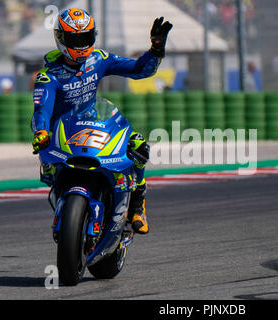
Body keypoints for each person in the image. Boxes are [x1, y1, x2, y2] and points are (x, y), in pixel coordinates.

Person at [31, 8, 173, 234]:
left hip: (91, 126)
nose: (81, 45)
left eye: (85, 38)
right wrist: (41, 132)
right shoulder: (49, 75)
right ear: (60, 38)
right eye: (75, 39)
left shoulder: (99, 59)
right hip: (60, 137)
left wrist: (156, 49)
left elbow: (139, 70)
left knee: (137, 146)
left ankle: (137, 205)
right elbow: (41, 110)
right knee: (49, 172)